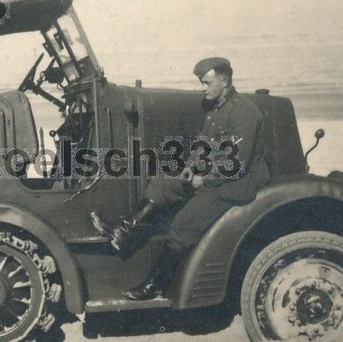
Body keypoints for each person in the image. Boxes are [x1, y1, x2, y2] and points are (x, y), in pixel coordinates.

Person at [90, 57, 271, 300]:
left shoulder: (244, 113)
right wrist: (191, 166)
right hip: (214, 175)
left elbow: (235, 164)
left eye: (207, 83)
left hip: (234, 184)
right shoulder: (217, 109)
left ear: (224, 80)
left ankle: (155, 285)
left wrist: (203, 179)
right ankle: (124, 231)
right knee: (163, 183)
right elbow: (204, 143)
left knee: (183, 225)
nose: (203, 88)